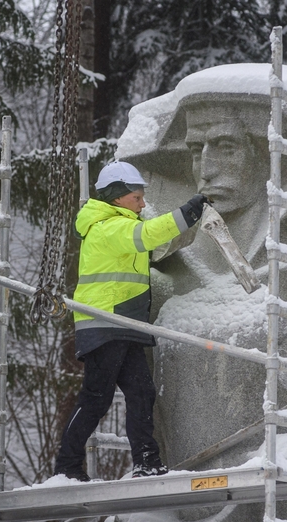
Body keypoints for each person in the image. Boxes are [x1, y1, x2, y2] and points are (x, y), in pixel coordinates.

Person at [53, 161, 210, 481]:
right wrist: (189, 212)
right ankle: (67, 466)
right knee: (96, 399)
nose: (143, 204)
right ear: (117, 197)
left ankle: (147, 460)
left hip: (125, 323)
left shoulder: (121, 223)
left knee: (141, 392)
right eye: (137, 198)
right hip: (104, 322)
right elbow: (150, 235)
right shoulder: (108, 227)